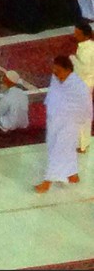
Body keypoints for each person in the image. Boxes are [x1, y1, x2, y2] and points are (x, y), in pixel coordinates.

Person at [41, 53, 91, 192]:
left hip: (70, 123)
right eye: (54, 70)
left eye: (58, 71)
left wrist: (78, 123)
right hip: (54, 120)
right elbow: (53, 96)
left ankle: (47, 181)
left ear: (68, 69)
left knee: (58, 149)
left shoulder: (78, 86)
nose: (55, 73)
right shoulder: (55, 78)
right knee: (62, 149)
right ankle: (72, 175)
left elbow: (86, 107)